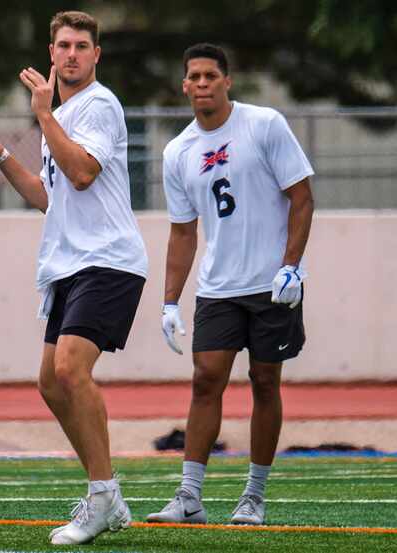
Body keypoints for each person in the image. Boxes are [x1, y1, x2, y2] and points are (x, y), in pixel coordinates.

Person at [0, 11, 146, 545]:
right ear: (50, 54)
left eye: (81, 46)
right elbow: (50, 197)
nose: (72, 54)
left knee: (72, 369)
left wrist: (44, 117)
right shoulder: (62, 113)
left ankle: (101, 497)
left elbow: (83, 171)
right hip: (70, 262)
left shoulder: (98, 105)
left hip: (109, 258)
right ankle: (109, 495)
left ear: (97, 55)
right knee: (50, 382)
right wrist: (3, 155)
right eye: (63, 46)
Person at [146, 43, 314, 526]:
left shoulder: (263, 125)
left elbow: (301, 199)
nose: (202, 84)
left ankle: (254, 496)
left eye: (210, 76)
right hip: (218, 287)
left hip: (270, 282)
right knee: (205, 380)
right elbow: (183, 231)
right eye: (194, 77)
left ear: (227, 81)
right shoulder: (178, 151)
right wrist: (169, 301)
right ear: (184, 85)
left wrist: (291, 266)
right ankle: (189, 496)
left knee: (265, 381)